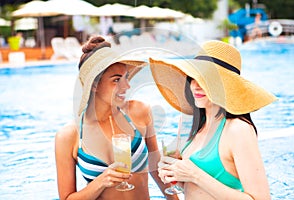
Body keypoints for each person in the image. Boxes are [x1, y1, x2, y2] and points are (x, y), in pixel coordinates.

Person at [149, 40, 277, 199]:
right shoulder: (190, 122)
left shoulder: (238, 130)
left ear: (226, 85)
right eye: (194, 77)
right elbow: (193, 187)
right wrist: (177, 176)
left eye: (206, 79)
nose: (196, 86)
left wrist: (195, 175)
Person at [55, 36, 177, 200]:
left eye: (126, 77)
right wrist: (101, 181)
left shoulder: (139, 112)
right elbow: (66, 198)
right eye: (116, 80)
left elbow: (155, 168)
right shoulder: (69, 136)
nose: (126, 86)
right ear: (95, 84)